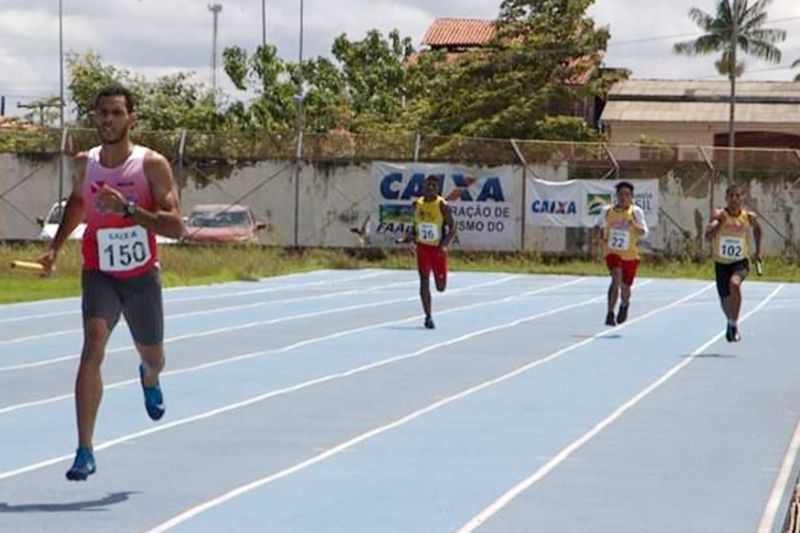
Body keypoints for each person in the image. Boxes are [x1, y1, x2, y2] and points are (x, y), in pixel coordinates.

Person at [38, 83, 184, 481]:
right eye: (102, 112)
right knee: (93, 344)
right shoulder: (85, 163)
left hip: (141, 278)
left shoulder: (152, 165)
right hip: (99, 271)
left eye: (117, 113)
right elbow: (79, 203)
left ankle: (149, 376)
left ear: (131, 118)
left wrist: (131, 209)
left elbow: (177, 226)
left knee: (153, 355)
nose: (108, 120)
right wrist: (54, 248)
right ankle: (85, 449)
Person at [704, 183, 762, 342]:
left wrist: (758, 252)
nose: (734, 199)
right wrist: (719, 224)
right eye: (731, 196)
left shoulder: (748, 217)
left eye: (738, 196)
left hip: (740, 261)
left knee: (734, 284)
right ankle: (731, 322)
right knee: (725, 301)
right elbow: (708, 236)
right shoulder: (719, 215)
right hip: (721, 263)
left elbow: (758, 229)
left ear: (742, 198)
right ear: (726, 198)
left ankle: (733, 324)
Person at [400, 175, 456, 329]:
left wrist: (444, 245)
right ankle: (428, 316)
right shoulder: (417, 204)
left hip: (437, 250)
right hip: (423, 248)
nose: (430, 188)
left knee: (440, 287)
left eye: (433, 185)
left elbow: (453, 227)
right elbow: (415, 226)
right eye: (428, 185)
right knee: (423, 281)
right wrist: (410, 237)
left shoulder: (442, 205)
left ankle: (441, 280)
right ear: (424, 186)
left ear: (438, 188)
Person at [596, 181, 648, 326]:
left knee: (625, 287)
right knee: (616, 278)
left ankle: (624, 304)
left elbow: (644, 232)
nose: (623, 198)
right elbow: (600, 228)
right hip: (612, 252)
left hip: (630, 254)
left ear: (631, 197)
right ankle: (610, 313)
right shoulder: (607, 211)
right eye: (621, 195)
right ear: (616, 196)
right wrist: (602, 235)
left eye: (627, 195)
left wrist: (634, 225)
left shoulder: (635, 212)